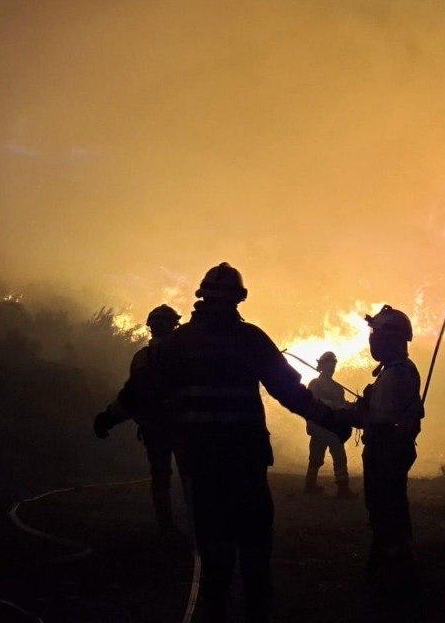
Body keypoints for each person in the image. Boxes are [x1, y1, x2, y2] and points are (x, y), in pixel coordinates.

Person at [97, 262, 350, 622]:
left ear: (200, 297)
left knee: (213, 556)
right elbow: (289, 392)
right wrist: (332, 419)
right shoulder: (250, 340)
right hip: (246, 462)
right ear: (240, 299)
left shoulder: (178, 344)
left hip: (200, 464)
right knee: (254, 554)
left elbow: (139, 391)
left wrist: (109, 416)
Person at [335, 305, 424, 574]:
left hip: (388, 450)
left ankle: (391, 567)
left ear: (390, 338)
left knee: (386, 508)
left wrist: (355, 411)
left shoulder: (397, 373)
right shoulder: (395, 370)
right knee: (388, 506)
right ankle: (394, 558)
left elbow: (377, 417)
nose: (372, 338)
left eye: (376, 333)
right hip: (390, 448)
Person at [93, 304, 183, 536]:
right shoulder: (187, 355)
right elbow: (132, 395)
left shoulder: (145, 358)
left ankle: (168, 526)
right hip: (182, 429)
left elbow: (131, 396)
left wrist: (108, 418)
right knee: (185, 477)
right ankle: (191, 526)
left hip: (162, 428)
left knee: (162, 478)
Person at [304, 351, 354, 497]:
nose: (331, 367)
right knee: (316, 457)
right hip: (318, 426)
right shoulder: (314, 385)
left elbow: (340, 406)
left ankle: (342, 487)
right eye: (329, 364)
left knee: (338, 454)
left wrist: (351, 406)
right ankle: (310, 485)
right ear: (322, 366)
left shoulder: (338, 389)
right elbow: (311, 404)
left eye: (333, 364)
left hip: (332, 427)